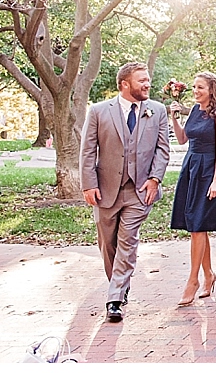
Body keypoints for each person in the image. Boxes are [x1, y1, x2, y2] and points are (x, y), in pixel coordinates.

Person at [80, 62, 170, 323]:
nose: (147, 84)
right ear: (124, 84)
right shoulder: (98, 111)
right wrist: (88, 184)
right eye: (142, 80)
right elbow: (87, 151)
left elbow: (163, 150)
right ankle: (118, 285)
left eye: (148, 80)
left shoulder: (158, 110)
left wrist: (155, 179)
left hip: (140, 190)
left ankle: (114, 298)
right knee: (108, 244)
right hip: (105, 189)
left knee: (127, 241)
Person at [169, 71, 216, 306]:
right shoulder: (195, 110)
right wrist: (174, 118)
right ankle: (208, 275)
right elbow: (183, 139)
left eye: (200, 88)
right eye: (194, 87)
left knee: (197, 225)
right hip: (191, 167)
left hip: (209, 168)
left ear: (212, 89)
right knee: (197, 225)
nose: (196, 92)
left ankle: (193, 279)